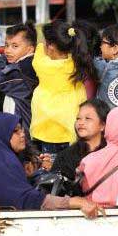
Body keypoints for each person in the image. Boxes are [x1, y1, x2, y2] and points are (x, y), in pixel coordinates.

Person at [0, 113, 102, 218]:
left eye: (22, 130)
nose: (22, 135)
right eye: (15, 131)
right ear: (1, 135)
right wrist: (75, 202)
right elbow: (27, 199)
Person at [30, 20, 97, 157]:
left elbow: (39, 48)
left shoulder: (42, 65)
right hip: (74, 132)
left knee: (52, 173)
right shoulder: (77, 63)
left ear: (51, 46)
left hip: (48, 133)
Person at [0, 22, 38, 136]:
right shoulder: (32, 65)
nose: (7, 51)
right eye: (6, 45)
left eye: (15, 46)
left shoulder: (21, 71)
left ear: (30, 49)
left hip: (23, 135)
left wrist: (2, 59)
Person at [52, 99, 110, 194]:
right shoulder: (65, 156)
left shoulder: (113, 154)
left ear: (103, 125)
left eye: (88, 118)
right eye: (78, 118)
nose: (80, 123)